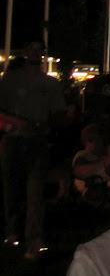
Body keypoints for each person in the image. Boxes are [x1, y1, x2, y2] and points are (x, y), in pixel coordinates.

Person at [0, 41, 68, 260]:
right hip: (14, 139)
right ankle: (12, 232)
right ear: (25, 52)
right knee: (12, 190)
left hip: (37, 141)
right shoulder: (11, 80)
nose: (36, 53)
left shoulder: (50, 83)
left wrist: (51, 124)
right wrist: (17, 122)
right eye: (31, 49)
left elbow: (58, 114)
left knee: (35, 191)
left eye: (40, 50)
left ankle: (34, 239)